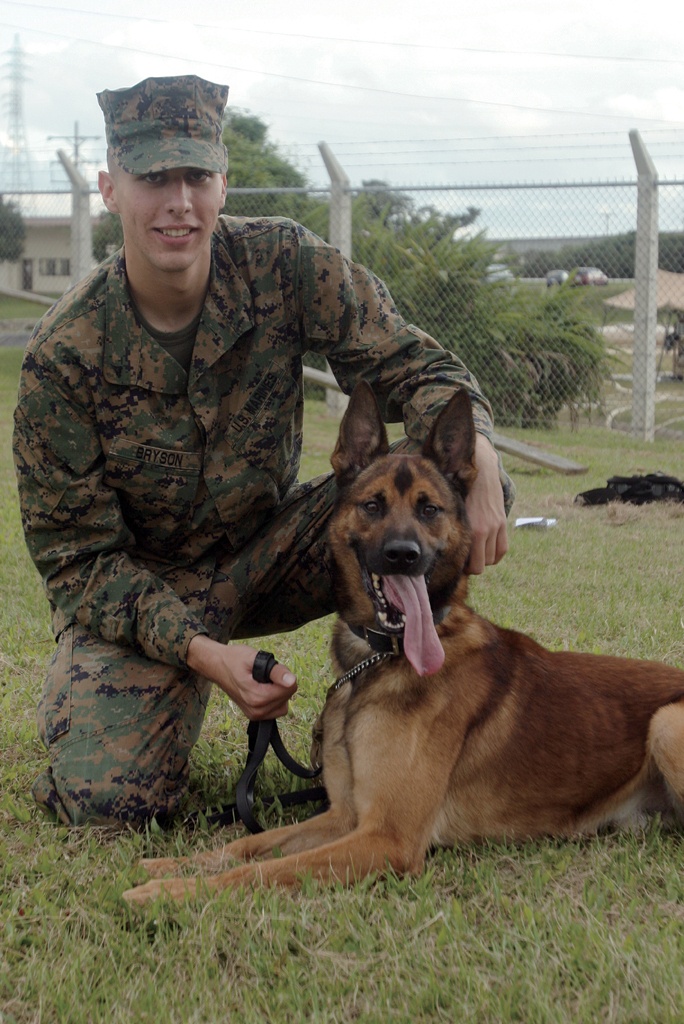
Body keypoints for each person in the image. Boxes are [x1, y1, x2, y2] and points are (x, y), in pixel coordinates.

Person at [13, 75, 514, 827]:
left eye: (196, 176)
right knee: (109, 802)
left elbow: (416, 367)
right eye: (153, 178)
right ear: (110, 188)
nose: (178, 202)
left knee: (443, 492)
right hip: (150, 589)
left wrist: (483, 457)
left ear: (223, 182)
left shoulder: (282, 262)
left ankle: (384, 718)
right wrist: (204, 654)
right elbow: (77, 562)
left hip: (273, 549)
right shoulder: (64, 354)